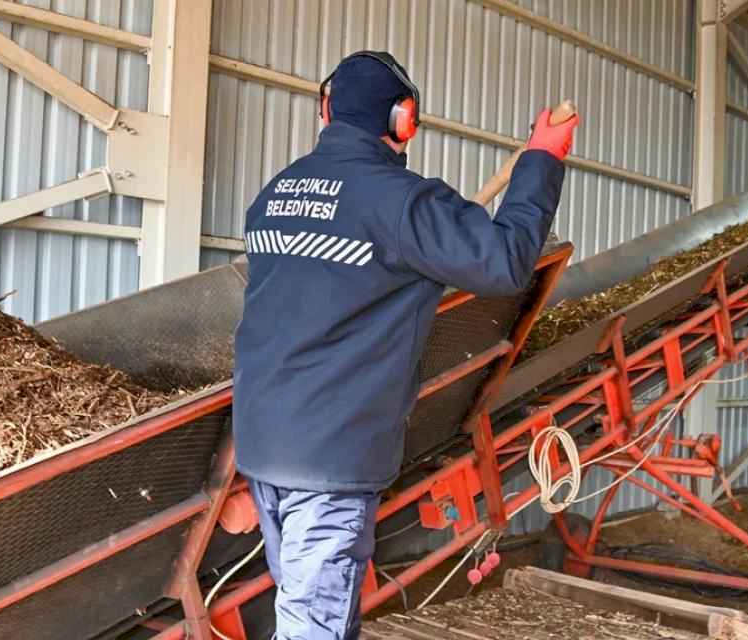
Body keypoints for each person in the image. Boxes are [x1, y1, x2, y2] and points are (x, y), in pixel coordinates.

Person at [232, 50, 578, 639]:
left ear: (326, 109)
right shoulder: (402, 202)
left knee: (302, 606)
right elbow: (502, 263)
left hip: (265, 445)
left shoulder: (274, 195)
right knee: (314, 627)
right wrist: (542, 159)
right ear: (403, 120)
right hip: (330, 460)